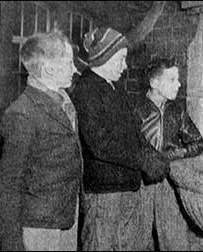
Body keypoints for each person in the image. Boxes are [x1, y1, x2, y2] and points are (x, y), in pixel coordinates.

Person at [70, 27, 171, 251]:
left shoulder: (115, 87)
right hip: (104, 193)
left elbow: (135, 131)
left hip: (126, 186)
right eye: (121, 59)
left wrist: (152, 153)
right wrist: (142, 160)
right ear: (103, 57)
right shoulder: (87, 90)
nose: (125, 66)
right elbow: (100, 144)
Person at [0, 31, 82, 251]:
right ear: (48, 69)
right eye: (69, 62)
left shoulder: (64, 102)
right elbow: (8, 185)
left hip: (65, 219)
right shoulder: (22, 113)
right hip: (39, 228)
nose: (75, 69)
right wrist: (12, 243)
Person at [134, 58, 203, 251]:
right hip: (141, 182)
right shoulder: (135, 109)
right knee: (138, 238)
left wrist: (171, 156)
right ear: (154, 83)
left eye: (178, 79)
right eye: (172, 79)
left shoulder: (177, 111)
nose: (178, 84)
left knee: (173, 239)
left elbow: (198, 143)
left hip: (168, 183)